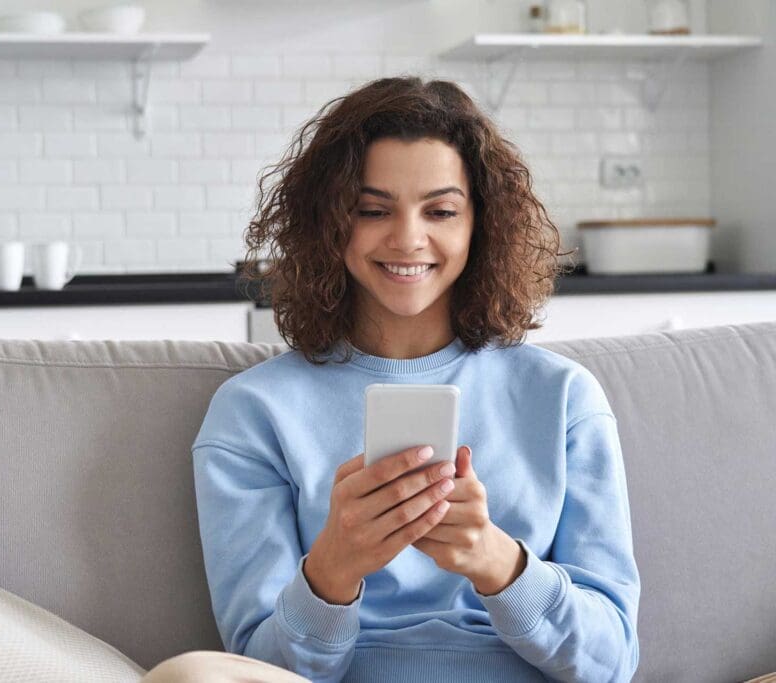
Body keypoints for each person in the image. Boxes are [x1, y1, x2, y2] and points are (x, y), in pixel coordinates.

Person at [142, 76, 640, 683]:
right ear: (328, 223)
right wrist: (332, 569)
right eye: (373, 210)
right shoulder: (253, 411)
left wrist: (496, 561)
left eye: (441, 210)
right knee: (191, 675)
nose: (407, 238)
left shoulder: (564, 398)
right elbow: (258, 666)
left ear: (481, 225)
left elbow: (612, 663)